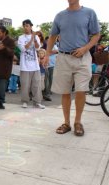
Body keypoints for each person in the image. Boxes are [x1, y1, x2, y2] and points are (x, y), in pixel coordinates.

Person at [45, 0, 100, 136]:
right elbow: (52, 37)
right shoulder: (60, 16)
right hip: (63, 57)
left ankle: (78, 122)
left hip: (82, 57)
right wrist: (46, 54)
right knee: (65, 92)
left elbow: (96, 35)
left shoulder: (89, 13)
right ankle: (66, 123)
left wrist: (85, 48)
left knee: (81, 90)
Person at [18, 19, 45, 109]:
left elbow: (37, 48)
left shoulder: (36, 37)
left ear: (31, 26)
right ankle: (25, 101)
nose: (25, 28)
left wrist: (35, 39)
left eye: (27, 26)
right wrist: (31, 40)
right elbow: (23, 49)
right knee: (25, 85)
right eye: (24, 26)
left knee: (36, 84)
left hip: (35, 66)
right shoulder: (21, 38)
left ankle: (37, 102)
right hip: (25, 66)